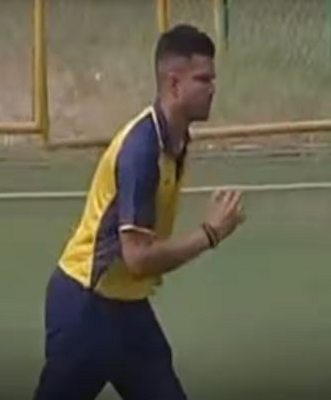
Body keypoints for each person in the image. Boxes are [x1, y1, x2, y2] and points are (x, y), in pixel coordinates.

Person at [33, 24, 245, 400]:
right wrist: (209, 234)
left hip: (127, 311)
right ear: (174, 84)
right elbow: (138, 259)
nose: (212, 88)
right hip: (86, 307)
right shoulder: (142, 150)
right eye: (203, 79)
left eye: (212, 79)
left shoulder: (175, 139)